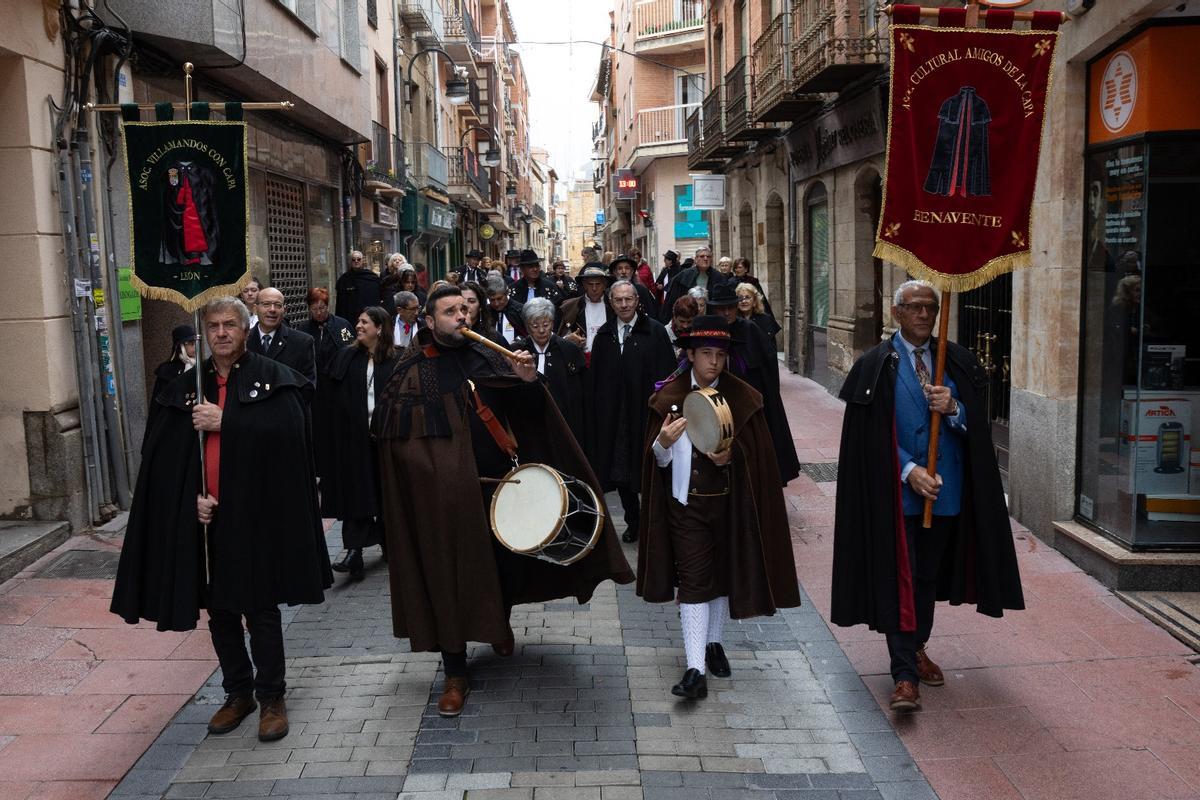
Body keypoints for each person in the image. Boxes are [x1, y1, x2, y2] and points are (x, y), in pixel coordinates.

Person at [373, 285, 634, 716]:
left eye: (464, 309)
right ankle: (455, 672)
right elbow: (395, 443)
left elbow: (528, 412)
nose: (461, 316)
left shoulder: (489, 353)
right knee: (450, 577)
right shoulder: (410, 370)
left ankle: (498, 623)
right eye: (450, 311)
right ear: (430, 321)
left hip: (498, 486)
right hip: (444, 500)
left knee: (502, 564)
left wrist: (529, 381)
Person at [111, 296, 332, 741]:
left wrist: (228, 420)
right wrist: (188, 499)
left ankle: (272, 696)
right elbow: (163, 461)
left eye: (230, 324)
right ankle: (238, 692)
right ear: (203, 333)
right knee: (220, 608)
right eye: (213, 326)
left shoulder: (275, 378)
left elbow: (290, 442)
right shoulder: (184, 385)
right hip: (207, 519)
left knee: (260, 607)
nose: (222, 333)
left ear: (245, 329)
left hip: (259, 515)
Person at [831, 280, 1024, 712]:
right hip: (894, 495)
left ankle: (917, 646)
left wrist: (953, 409)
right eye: (915, 307)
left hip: (946, 494)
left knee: (926, 577)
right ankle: (903, 674)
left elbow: (978, 432)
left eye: (930, 308)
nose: (923, 314)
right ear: (896, 312)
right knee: (898, 576)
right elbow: (869, 439)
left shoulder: (956, 361)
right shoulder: (875, 365)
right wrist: (908, 470)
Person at [638, 315, 801, 699]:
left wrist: (733, 457)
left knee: (722, 577)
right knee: (694, 582)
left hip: (731, 506)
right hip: (686, 508)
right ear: (690, 355)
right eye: (706, 353)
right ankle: (695, 669)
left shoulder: (742, 398)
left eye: (721, 355)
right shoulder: (669, 397)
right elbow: (656, 462)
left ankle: (713, 644)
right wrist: (662, 443)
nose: (714, 361)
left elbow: (758, 457)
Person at [586, 280, 677, 543]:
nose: (624, 304)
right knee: (621, 473)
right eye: (618, 300)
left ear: (637, 301)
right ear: (611, 303)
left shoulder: (655, 332)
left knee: (649, 469)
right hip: (615, 417)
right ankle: (633, 520)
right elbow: (595, 381)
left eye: (629, 299)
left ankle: (655, 522)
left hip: (645, 414)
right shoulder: (604, 336)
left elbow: (668, 376)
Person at [322, 307, 399, 582]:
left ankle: (391, 543)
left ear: (380, 328)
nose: (358, 326)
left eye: (364, 322)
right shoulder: (347, 357)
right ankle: (354, 551)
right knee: (357, 494)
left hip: (388, 441)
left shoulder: (397, 360)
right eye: (358, 321)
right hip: (355, 441)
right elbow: (332, 400)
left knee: (387, 493)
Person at [707, 282, 800, 484]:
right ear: (713, 309)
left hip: (749, 401)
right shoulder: (708, 330)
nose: (726, 313)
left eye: (730, 307)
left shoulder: (750, 329)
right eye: (721, 309)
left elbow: (768, 366)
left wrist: (767, 397)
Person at [296, 288, 354, 481]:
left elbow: (350, 351)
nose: (319, 312)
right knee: (318, 430)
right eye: (315, 309)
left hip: (336, 386)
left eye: (322, 308)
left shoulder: (342, 325)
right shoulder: (303, 329)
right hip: (316, 390)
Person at [515, 297, 585, 432]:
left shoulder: (569, 350)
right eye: (535, 326)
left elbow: (578, 395)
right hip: (529, 422)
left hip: (563, 422)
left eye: (546, 325)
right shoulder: (518, 351)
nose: (541, 330)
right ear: (527, 326)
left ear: (553, 323)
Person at [247, 288, 317, 388]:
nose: (272, 309)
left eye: (278, 305)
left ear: (284, 310)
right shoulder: (243, 340)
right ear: (255, 309)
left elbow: (308, 386)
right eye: (266, 304)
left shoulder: (302, 342)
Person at [145, 324, 196, 446]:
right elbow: (157, 407)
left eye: (196, 342)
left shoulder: (201, 367)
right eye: (190, 343)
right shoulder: (167, 370)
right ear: (181, 346)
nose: (195, 346)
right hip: (174, 425)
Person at [559, 264, 614, 366]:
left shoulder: (614, 306)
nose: (594, 288)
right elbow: (558, 339)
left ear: (605, 285)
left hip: (610, 361)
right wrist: (568, 339)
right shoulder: (570, 307)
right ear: (584, 285)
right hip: (581, 363)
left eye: (598, 284)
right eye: (590, 284)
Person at [661, 247, 723, 323]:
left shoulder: (718, 277)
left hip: (710, 318)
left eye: (708, 256)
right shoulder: (684, 275)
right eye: (702, 256)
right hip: (687, 319)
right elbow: (672, 302)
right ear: (696, 259)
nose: (705, 258)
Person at [336, 250, 391, 321]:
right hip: (350, 317)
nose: (356, 261)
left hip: (369, 316)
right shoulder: (344, 280)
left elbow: (378, 296)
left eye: (358, 259)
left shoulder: (372, 277)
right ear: (350, 262)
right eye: (353, 259)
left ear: (362, 261)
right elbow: (340, 303)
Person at [610, 254, 659, 319]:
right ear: (614, 272)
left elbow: (652, 314)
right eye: (620, 268)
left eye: (627, 268)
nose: (623, 272)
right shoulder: (609, 292)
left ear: (632, 271)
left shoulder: (642, 291)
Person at [486, 274, 525, 344]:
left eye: (499, 299)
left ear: (506, 293)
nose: (496, 303)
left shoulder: (520, 310)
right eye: (492, 300)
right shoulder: (485, 312)